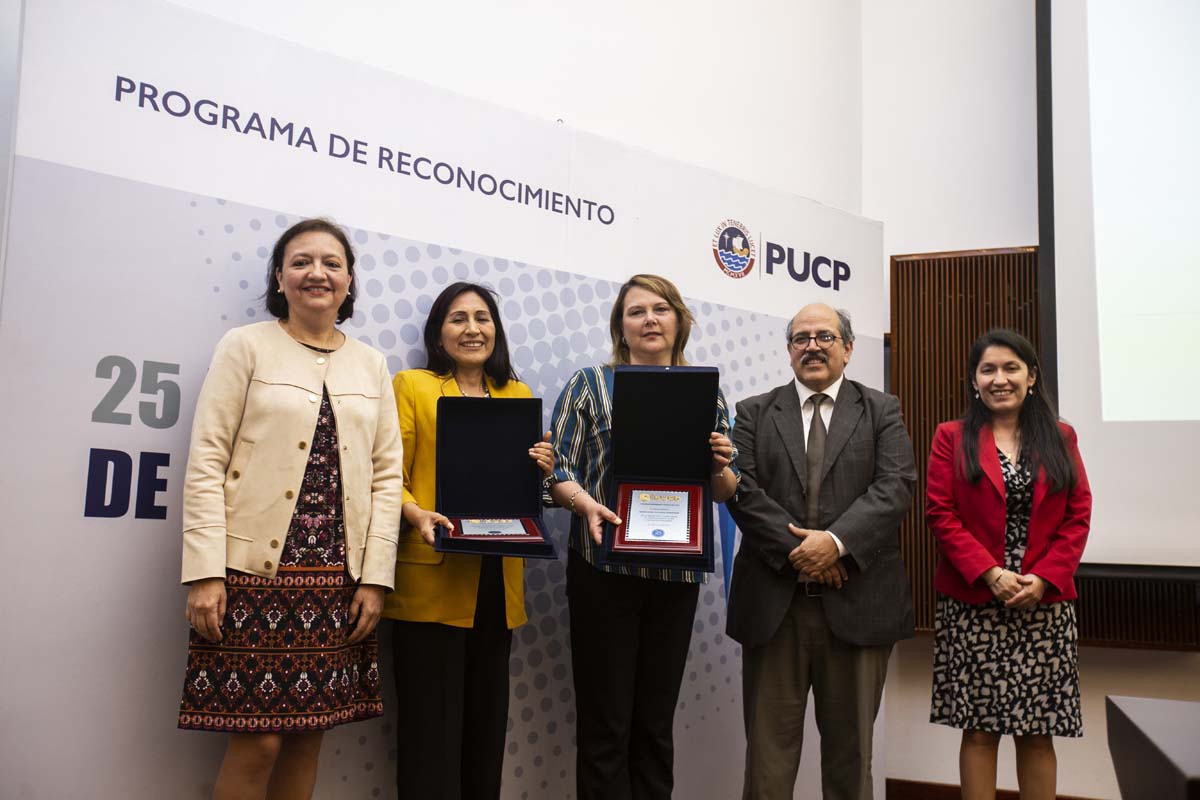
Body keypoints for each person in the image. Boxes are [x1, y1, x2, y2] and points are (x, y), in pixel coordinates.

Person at [178, 218, 404, 800]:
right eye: (301, 262)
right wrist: (204, 571)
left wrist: (375, 578)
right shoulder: (245, 345)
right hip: (250, 574)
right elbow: (207, 459)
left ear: (349, 281)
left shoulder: (372, 365)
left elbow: (386, 478)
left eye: (331, 263)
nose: (316, 273)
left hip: (336, 578)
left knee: (308, 736)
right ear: (279, 278)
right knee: (258, 742)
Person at [546, 273, 738, 800]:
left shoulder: (708, 393)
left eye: (660, 309)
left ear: (679, 320)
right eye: (636, 311)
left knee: (654, 727)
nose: (649, 319)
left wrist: (719, 465)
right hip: (602, 571)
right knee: (605, 727)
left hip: (675, 576)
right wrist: (584, 504)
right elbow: (555, 471)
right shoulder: (589, 384)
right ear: (621, 327)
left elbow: (724, 490)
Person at [725, 302, 916, 800]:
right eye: (801, 338)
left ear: (848, 349)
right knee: (766, 765)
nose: (812, 346)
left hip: (859, 605)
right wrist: (806, 552)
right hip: (774, 607)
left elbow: (895, 486)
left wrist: (834, 545)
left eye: (825, 337)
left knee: (852, 763)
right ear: (789, 351)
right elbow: (742, 490)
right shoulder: (753, 412)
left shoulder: (881, 410)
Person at [383, 281, 555, 800]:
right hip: (431, 582)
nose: (472, 329)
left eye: (483, 318)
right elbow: (387, 476)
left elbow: (525, 494)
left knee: (484, 736)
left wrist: (542, 472)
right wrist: (414, 512)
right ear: (438, 333)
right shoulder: (412, 386)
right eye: (458, 318)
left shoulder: (517, 395)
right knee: (429, 740)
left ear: (496, 330)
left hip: (496, 586)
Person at [926, 328, 1090, 800]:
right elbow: (941, 513)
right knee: (978, 730)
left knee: (1038, 732)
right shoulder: (951, 437)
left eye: (1010, 368)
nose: (999, 379)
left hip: (1043, 605)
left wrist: (1043, 578)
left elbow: (1078, 513)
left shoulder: (1061, 436)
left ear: (1031, 376)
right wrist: (990, 574)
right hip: (974, 602)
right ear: (974, 380)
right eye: (988, 370)